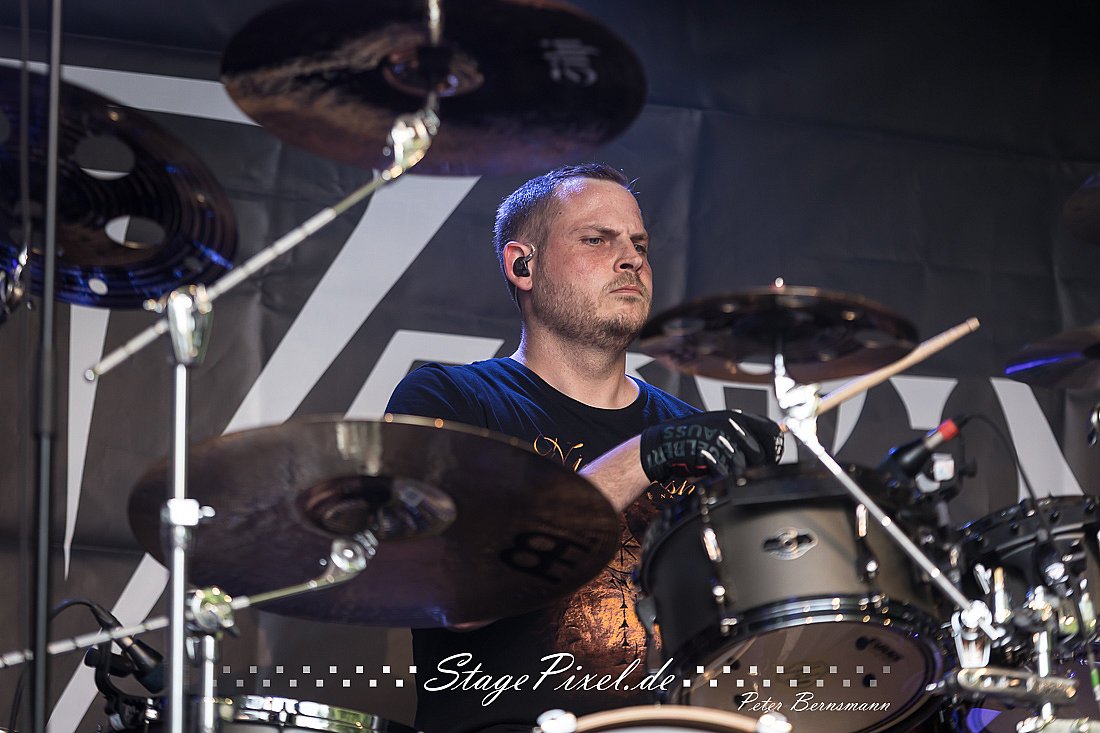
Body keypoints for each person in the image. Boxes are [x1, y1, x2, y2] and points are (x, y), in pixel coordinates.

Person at [386, 163, 781, 733]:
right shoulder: (451, 399)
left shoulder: (688, 428)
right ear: (522, 265)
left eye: (639, 244)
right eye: (597, 239)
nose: (631, 259)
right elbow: (459, 598)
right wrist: (642, 456)